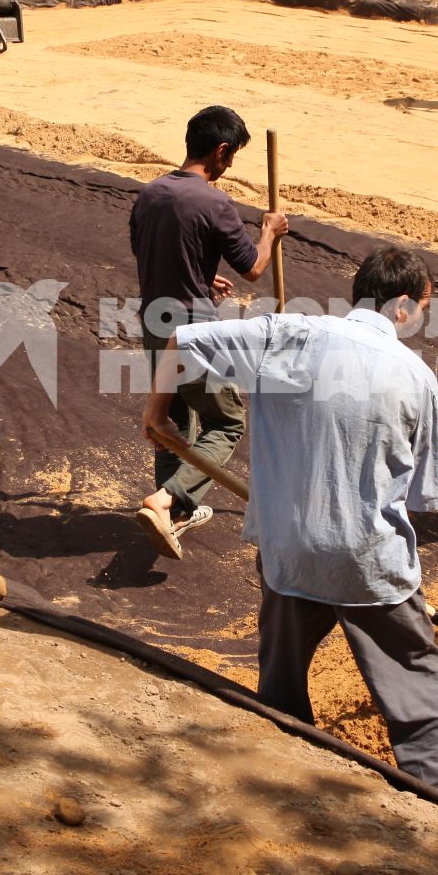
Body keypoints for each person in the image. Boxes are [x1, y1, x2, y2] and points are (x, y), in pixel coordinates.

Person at [141, 247, 438, 800]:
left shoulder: (288, 335)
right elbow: (418, 496)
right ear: (408, 305)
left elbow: (186, 340)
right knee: (419, 693)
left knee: (281, 682)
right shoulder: (418, 377)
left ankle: (282, 780)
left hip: (288, 550)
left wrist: (155, 413)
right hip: (370, 561)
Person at [129, 106, 287, 558]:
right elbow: (254, 268)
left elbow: (154, 253)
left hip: (154, 323)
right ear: (220, 151)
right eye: (232, 156)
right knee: (226, 421)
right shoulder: (214, 202)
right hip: (192, 332)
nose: (230, 165)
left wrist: (201, 278)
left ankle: (170, 515)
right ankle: (168, 499)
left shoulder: (150, 193)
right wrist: (270, 231)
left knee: (172, 419)